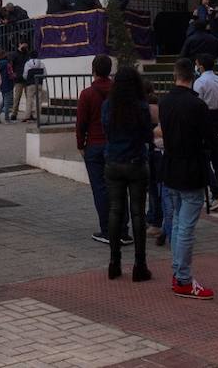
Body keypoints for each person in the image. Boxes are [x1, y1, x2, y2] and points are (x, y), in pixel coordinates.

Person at [159, 58, 217, 300]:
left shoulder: (165, 102)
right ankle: (182, 277)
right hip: (191, 169)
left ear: (175, 75)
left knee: (176, 223)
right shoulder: (196, 105)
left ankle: (178, 272)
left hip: (171, 166)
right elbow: (210, 140)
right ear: (192, 76)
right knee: (185, 227)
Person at [102, 65, 153, 282]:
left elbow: (106, 130)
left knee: (115, 211)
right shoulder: (140, 107)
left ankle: (114, 262)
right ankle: (139, 265)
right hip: (135, 162)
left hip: (113, 161)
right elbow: (147, 135)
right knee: (138, 213)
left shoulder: (108, 106)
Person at [76, 54, 114, 243]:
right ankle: (122, 228)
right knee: (117, 187)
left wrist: (80, 144)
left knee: (100, 188)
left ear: (93, 70)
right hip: (115, 144)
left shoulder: (87, 94)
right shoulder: (117, 91)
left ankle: (107, 229)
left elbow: (81, 122)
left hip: (94, 144)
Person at [193, 55, 218, 212]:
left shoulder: (200, 82)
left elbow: (196, 103)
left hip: (205, 119)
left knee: (203, 159)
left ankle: (217, 192)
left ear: (200, 66)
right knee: (217, 158)